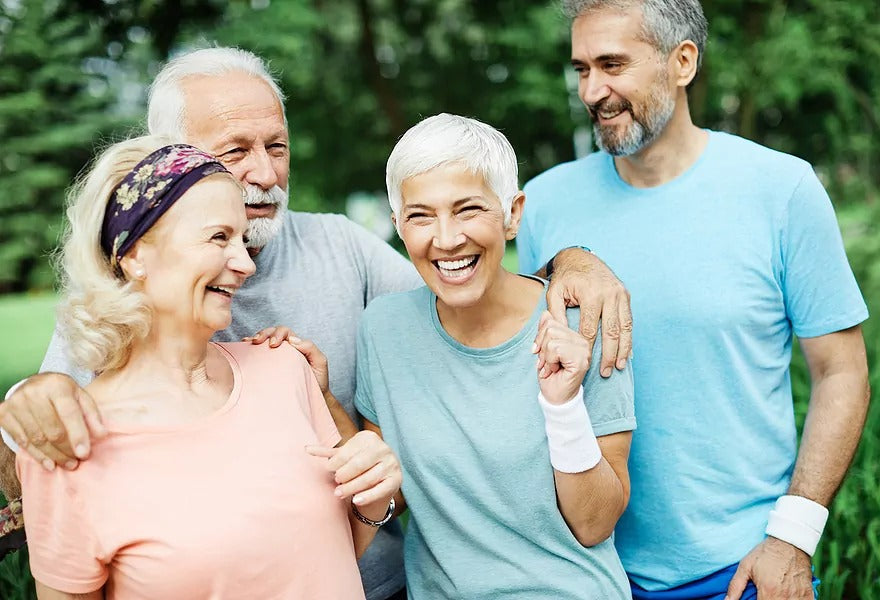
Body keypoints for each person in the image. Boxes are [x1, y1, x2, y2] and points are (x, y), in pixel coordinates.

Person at [0, 47, 633, 600]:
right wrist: (25, 396)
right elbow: (46, 451)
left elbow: (464, 281)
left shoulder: (339, 256)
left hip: (374, 582)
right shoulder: (117, 305)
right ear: (170, 164)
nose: (267, 173)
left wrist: (569, 265)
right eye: (235, 152)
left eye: (276, 146)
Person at [517, 2, 870, 599]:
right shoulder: (544, 205)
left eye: (612, 64)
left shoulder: (782, 189)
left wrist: (793, 538)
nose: (592, 90)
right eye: (580, 69)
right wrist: (561, 260)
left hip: (743, 572)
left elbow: (841, 372)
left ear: (683, 62)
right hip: (586, 573)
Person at [17, 137, 402, 599]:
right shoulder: (68, 444)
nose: (244, 263)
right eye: (219, 237)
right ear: (135, 253)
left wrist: (373, 496)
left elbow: (328, 557)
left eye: (242, 238)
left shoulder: (287, 370)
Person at [353, 113, 635, 599]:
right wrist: (314, 394)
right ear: (398, 224)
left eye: (468, 209)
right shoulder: (383, 329)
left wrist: (562, 406)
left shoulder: (580, 322)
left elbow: (594, 523)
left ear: (512, 214)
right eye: (421, 215)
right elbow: (390, 491)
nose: (445, 239)